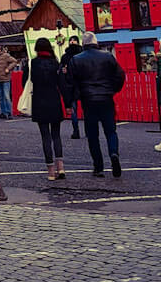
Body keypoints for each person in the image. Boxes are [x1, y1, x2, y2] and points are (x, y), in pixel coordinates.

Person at [70, 33, 125, 178]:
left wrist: (78, 95)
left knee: (92, 134)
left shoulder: (76, 60)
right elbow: (120, 75)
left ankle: (98, 167)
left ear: (83, 43)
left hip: (88, 99)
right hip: (106, 97)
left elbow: (72, 81)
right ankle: (114, 153)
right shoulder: (107, 56)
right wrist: (113, 89)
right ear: (96, 42)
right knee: (111, 131)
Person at [28, 37, 67, 179]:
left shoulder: (34, 62)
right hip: (54, 100)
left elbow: (32, 79)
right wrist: (68, 103)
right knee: (56, 135)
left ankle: (51, 171)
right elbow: (61, 83)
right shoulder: (55, 63)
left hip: (39, 100)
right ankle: (61, 167)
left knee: (45, 136)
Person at [58, 35, 83, 139]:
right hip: (75, 84)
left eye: (74, 40)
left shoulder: (79, 55)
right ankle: (76, 130)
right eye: (71, 40)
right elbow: (61, 69)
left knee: (76, 108)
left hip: (75, 84)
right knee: (75, 109)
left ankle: (77, 130)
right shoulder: (69, 56)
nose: (72, 42)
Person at [0, 45, 17, 119]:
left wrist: (8, 69)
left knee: (6, 97)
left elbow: (14, 61)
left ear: (0, 49)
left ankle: (9, 113)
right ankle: (3, 112)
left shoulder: (6, 55)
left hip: (5, 79)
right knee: (0, 97)